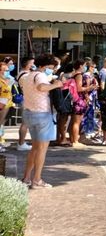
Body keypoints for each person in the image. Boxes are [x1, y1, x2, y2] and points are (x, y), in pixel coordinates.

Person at [20, 54, 64, 188]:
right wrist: (56, 85)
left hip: (29, 113)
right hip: (42, 114)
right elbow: (41, 87)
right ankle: (37, 180)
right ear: (46, 65)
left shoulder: (28, 76)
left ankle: (26, 178)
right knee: (41, 149)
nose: (52, 69)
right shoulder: (40, 76)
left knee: (34, 148)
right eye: (51, 67)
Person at [15, 56, 35, 151]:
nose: (33, 65)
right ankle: (21, 143)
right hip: (27, 99)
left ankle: (22, 142)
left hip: (27, 99)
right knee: (25, 123)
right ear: (26, 64)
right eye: (31, 63)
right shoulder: (25, 75)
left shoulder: (25, 74)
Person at [0, 57, 15, 149]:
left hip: (6, 105)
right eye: (4, 70)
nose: (6, 72)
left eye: (7, 70)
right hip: (2, 106)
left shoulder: (5, 80)